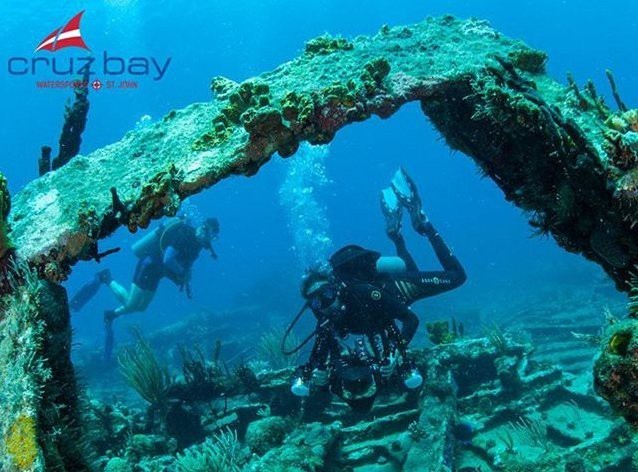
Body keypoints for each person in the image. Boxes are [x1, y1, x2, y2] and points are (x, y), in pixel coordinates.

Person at [290, 168, 466, 409]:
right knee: (410, 268)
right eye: (317, 301)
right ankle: (396, 235)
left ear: (335, 288)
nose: (326, 304)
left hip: (396, 292)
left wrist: (396, 351)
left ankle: (425, 225)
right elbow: (319, 358)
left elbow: (410, 319)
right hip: (385, 311)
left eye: (328, 294)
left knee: (456, 277)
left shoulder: (361, 292)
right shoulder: (325, 319)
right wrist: (317, 377)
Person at [92, 216, 219, 361]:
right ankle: (106, 278)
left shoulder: (197, 246)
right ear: (203, 227)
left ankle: (111, 315)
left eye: (212, 236)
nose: (208, 239)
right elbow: (168, 259)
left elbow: (186, 264)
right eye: (209, 234)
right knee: (131, 304)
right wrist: (181, 273)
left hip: (158, 273)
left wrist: (185, 278)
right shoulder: (184, 234)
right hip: (148, 265)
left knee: (142, 307)